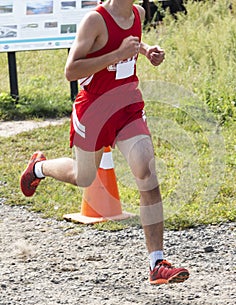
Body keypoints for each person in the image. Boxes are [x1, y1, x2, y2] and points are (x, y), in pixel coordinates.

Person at [20, 0, 189, 285]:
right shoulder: (94, 21)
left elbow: (131, 41)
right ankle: (40, 167)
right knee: (83, 177)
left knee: (147, 173)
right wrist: (117, 55)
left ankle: (157, 263)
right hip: (95, 110)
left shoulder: (138, 12)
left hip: (127, 106)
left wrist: (146, 51)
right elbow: (71, 70)